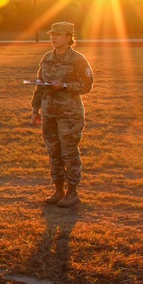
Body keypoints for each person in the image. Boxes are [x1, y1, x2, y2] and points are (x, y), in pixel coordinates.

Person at [30, 22, 94, 208]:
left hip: (69, 115)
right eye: (52, 34)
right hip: (49, 113)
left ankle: (72, 192)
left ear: (68, 37)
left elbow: (87, 85)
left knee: (69, 152)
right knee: (54, 152)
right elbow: (40, 85)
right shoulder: (47, 58)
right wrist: (35, 109)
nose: (53, 37)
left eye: (58, 34)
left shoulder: (77, 60)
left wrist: (65, 85)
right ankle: (58, 190)